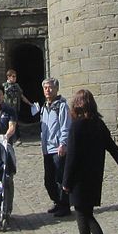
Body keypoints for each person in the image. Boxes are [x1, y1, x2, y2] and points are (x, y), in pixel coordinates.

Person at [61, 89, 118, 234]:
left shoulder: (76, 126)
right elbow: (113, 148)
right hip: (94, 177)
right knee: (88, 215)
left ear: (76, 105)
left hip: (79, 179)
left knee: (82, 216)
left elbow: (72, 157)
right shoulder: (98, 124)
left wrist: (66, 182)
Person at [40, 77, 72, 217]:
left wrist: (63, 144)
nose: (48, 90)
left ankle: (65, 206)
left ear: (56, 89)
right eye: (45, 88)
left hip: (58, 148)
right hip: (47, 149)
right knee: (49, 180)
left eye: (50, 87)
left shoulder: (62, 106)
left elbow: (66, 126)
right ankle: (57, 202)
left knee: (60, 179)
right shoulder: (44, 107)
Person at [2, 70, 32, 145]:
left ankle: (17, 139)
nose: (15, 78)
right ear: (8, 77)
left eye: (15, 76)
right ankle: (6, 139)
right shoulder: (4, 86)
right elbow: (1, 97)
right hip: (6, 108)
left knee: (15, 124)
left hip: (15, 108)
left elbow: (21, 96)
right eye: (13, 76)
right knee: (5, 123)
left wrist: (29, 103)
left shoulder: (16, 86)